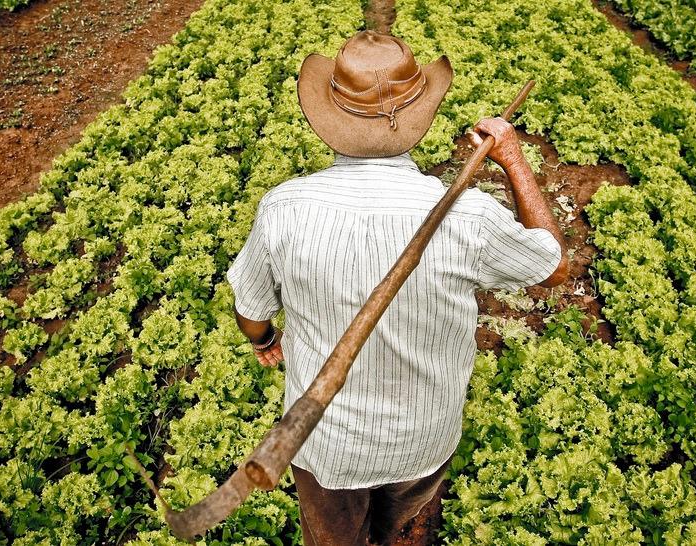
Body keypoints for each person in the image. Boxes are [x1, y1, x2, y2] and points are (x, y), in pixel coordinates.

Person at [226, 30, 568, 546]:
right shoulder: (468, 215)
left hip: (325, 448)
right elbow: (553, 265)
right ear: (420, 116)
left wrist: (264, 341)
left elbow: (251, 310)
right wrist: (514, 160)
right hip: (422, 441)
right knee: (406, 529)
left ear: (329, 119)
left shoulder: (283, 209)